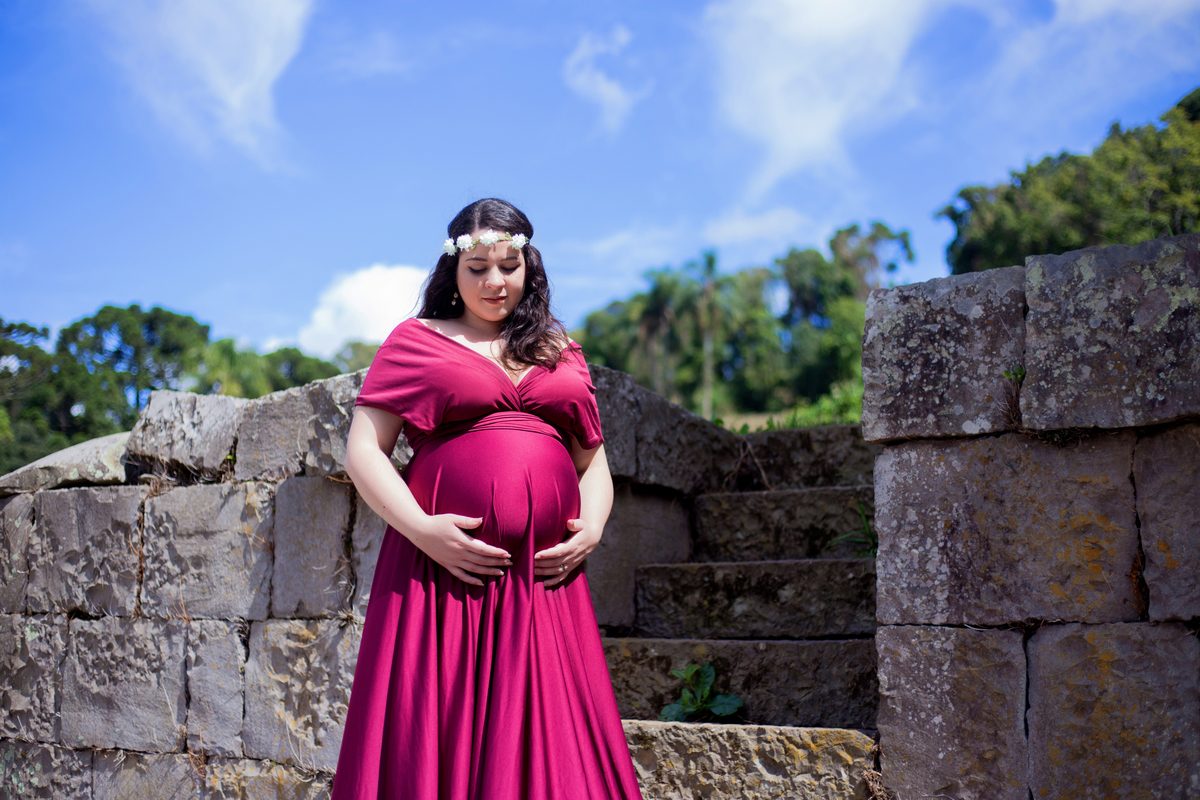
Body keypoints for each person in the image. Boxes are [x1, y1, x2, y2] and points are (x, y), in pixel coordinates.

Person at [330, 198, 644, 800]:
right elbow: (365, 451)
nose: (494, 282)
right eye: (477, 267)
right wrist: (424, 530)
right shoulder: (416, 340)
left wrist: (594, 526)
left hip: (544, 578)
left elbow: (593, 460)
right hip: (446, 571)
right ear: (453, 269)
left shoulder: (559, 348)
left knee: (554, 740)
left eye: (508, 265)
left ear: (530, 266)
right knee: (441, 725)